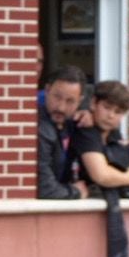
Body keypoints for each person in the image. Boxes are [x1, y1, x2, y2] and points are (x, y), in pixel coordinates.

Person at [71, 81, 129, 257]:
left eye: (118, 112)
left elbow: (127, 159)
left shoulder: (113, 134)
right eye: (107, 108)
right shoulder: (86, 130)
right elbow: (101, 175)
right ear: (94, 103)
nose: (111, 115)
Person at [37, 65, 89, 200]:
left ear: (80, 101)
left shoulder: (77, 123)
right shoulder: (39, 127)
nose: (61, 107)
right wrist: (75, 192)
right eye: (57, 97)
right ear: (47, 90)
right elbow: (45, 188)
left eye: (70, 101)